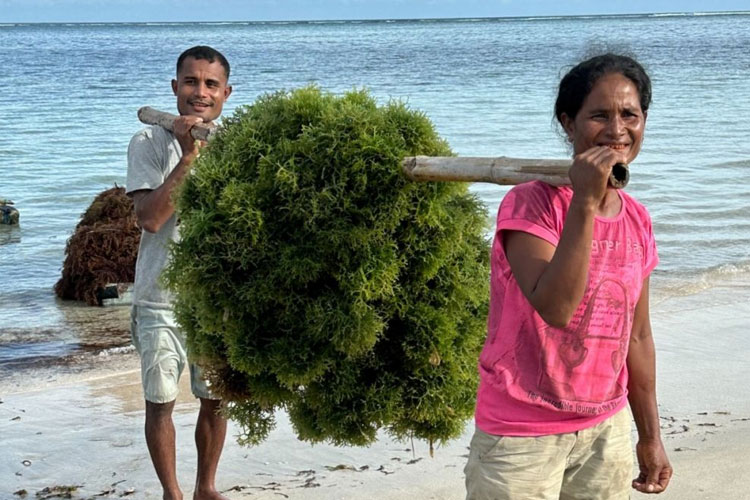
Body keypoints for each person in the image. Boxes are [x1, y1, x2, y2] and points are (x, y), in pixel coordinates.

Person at [464, 53, 672, 499]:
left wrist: (650, 436)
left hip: (605, 427)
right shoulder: (530, 205)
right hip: (520, 434)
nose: (617, 130)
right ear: (568, 123)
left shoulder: (637, 220)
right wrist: (584, 202)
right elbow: (556, 308)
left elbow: (637, 337)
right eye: (599, 115)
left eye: (629, 114)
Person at [126, 45, 233, 500]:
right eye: (191, 82)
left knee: (216, 398)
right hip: (159, 298)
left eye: (211, 84)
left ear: (226, 92)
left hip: (213, 299)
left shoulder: (234, 144)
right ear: (175, 88)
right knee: (161, 402)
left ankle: (205, 487)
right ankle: (173, 494)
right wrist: (188, 157)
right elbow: (150, 218)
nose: (200, 92)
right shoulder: (148, 143)